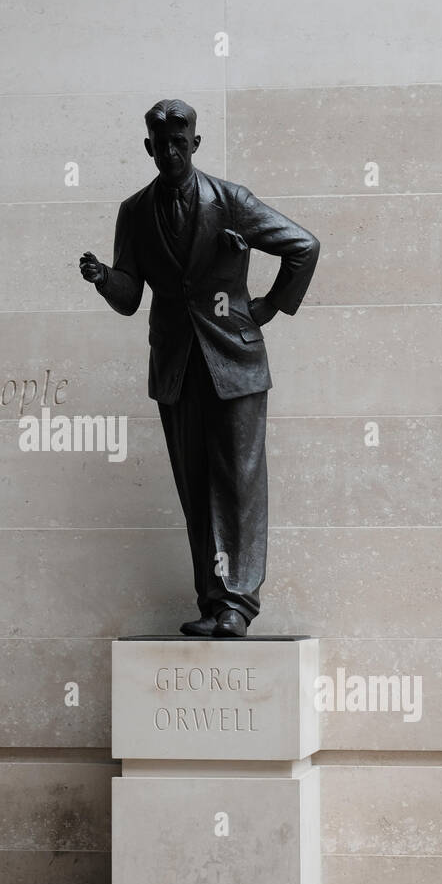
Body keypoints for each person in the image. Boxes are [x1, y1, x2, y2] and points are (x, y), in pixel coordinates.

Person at [80, 98, 319, 637]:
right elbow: (129, 297)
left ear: (195, 144)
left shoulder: (231, 201)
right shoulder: (134, 212)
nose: (170, 153)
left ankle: (238, 603)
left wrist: (266, 307)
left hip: (234, 361)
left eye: (179, 143)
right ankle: (213, 603)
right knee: (195, 487)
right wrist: (103, 279)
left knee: (238, 483)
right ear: (148, 148)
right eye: (160, 145)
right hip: (177, 366)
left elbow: (304, 246)